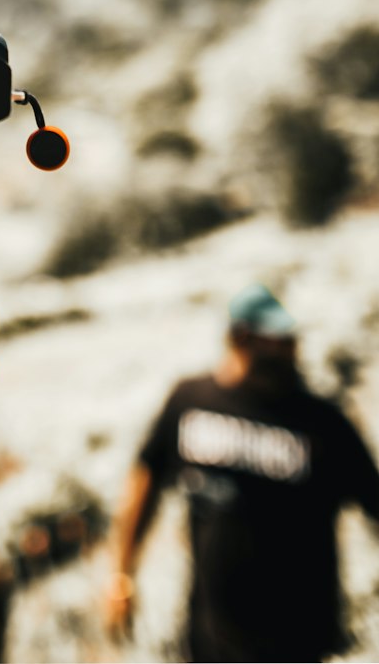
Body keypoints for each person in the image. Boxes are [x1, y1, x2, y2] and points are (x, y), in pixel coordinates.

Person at [105, 282, 379, 663]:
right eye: (278, 339)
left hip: (298, 643)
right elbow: (144, 480)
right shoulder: (190, 402)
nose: (291, 348)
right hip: (209, 640)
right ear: (241, 337)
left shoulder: (323, 422)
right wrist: (121, 577)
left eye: (291, 338)